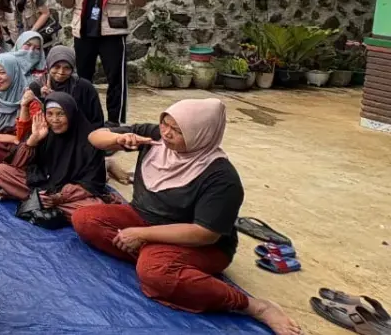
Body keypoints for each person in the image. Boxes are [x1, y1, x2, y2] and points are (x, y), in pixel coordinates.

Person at [74, 100, 301, 335]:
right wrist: (118, 140)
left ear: (201, 134)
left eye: (178, 130)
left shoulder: (221, 177)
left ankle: (255, 307)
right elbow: (95, 137)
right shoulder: (153, 137)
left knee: (155, 273)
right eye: (165, 123)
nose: (166, 133)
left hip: (201, 245)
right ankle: (156, 259)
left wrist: (141, 234)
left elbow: (205, 234)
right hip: (143, 218)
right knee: (85, 220)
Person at [60, 0, 148, 125]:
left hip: (113, 34)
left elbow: (141, 1)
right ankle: (85, 119)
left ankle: (115, 121)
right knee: (83, 80)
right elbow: (68, 4)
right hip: (84, 33)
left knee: (116, 79)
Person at [0, 92, 118, 216]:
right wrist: (33, 141)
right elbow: (17, 165)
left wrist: (60, 197)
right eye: (50, 114)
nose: (55, 120)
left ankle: (33, 199)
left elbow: (92, 183)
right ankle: (39, 200)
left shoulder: (90, 139)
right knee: (0, 170)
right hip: (43, 184)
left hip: (70, 195)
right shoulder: (44, 132)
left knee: (96, 208)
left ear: (71, 114)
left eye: (61, 114)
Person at [36, 45, 104, 126]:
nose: (61, 72)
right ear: (49, 65)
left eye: (67, 68)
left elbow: (97, 120)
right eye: (56, 67)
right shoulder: (38, 86)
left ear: (72, 69)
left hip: (81, 133)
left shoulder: (83, 87)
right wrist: (42, 99)